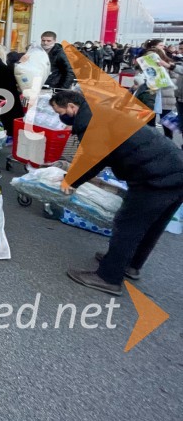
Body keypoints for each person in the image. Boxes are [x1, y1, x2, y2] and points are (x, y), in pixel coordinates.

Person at [50, 90, 183, 295]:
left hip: (155, 178)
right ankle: (130, 264)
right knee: (153, 225)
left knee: (128, 224)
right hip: (173, 169)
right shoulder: (99, 113)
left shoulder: (91, 122)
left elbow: (92, 159)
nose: (61, 118)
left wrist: (71, 181)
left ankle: (108, 277)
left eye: (59, 111)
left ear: (71, 107)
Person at [145, 39, 178, 139]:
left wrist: (165, 80)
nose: (163, 47)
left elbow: (176, 77)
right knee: (150, 123)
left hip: (166, 95)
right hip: (151, 95)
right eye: (161, 45)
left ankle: (169, 143)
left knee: (167, 123)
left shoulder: (169, 63)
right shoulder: (146, 64)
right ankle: (152, 142)